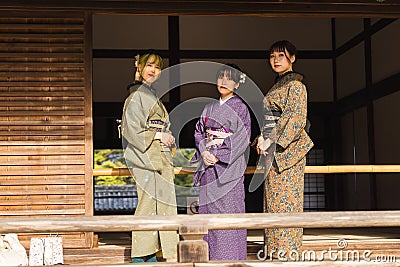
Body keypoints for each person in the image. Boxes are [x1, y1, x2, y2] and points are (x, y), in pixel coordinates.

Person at [256, 40, 314, 259]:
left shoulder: (296, 86)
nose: (276, 60)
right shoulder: (276, 87)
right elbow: (269, 121)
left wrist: (271, 140)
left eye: (281, 55)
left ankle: (288, 254)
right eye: (272, 56)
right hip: (272, 151)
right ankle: (273, 252)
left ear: (292, 58)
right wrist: (261, 138)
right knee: (272, 205)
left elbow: (296, 119)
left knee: (286, 205)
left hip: (287, 153)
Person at [121, 51, 178, 263]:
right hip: (145, 157)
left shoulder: (152, 96)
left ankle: (163, 251)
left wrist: (167, 135)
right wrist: (158, 134)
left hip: (159, 156)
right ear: (139, 69)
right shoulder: (136, 96)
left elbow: (164, 125)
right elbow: (131, 130)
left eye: (157, 67)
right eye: (149, 66)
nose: (153, 70)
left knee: (164, 204)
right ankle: (142, 253)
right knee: (147, 204)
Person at [191, 63, 251, 260]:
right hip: (209, 167)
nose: (224, 82)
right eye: (220, 77)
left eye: (229, 78)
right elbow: (199, 132)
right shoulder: (209, 107)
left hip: (228, 170)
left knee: (229, 214)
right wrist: (204, 151)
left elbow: (242, 138)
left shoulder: (241, 108)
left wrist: (218, 155)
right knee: (209, 217)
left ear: (237, 84)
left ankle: (231, 259)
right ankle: (211, 259)